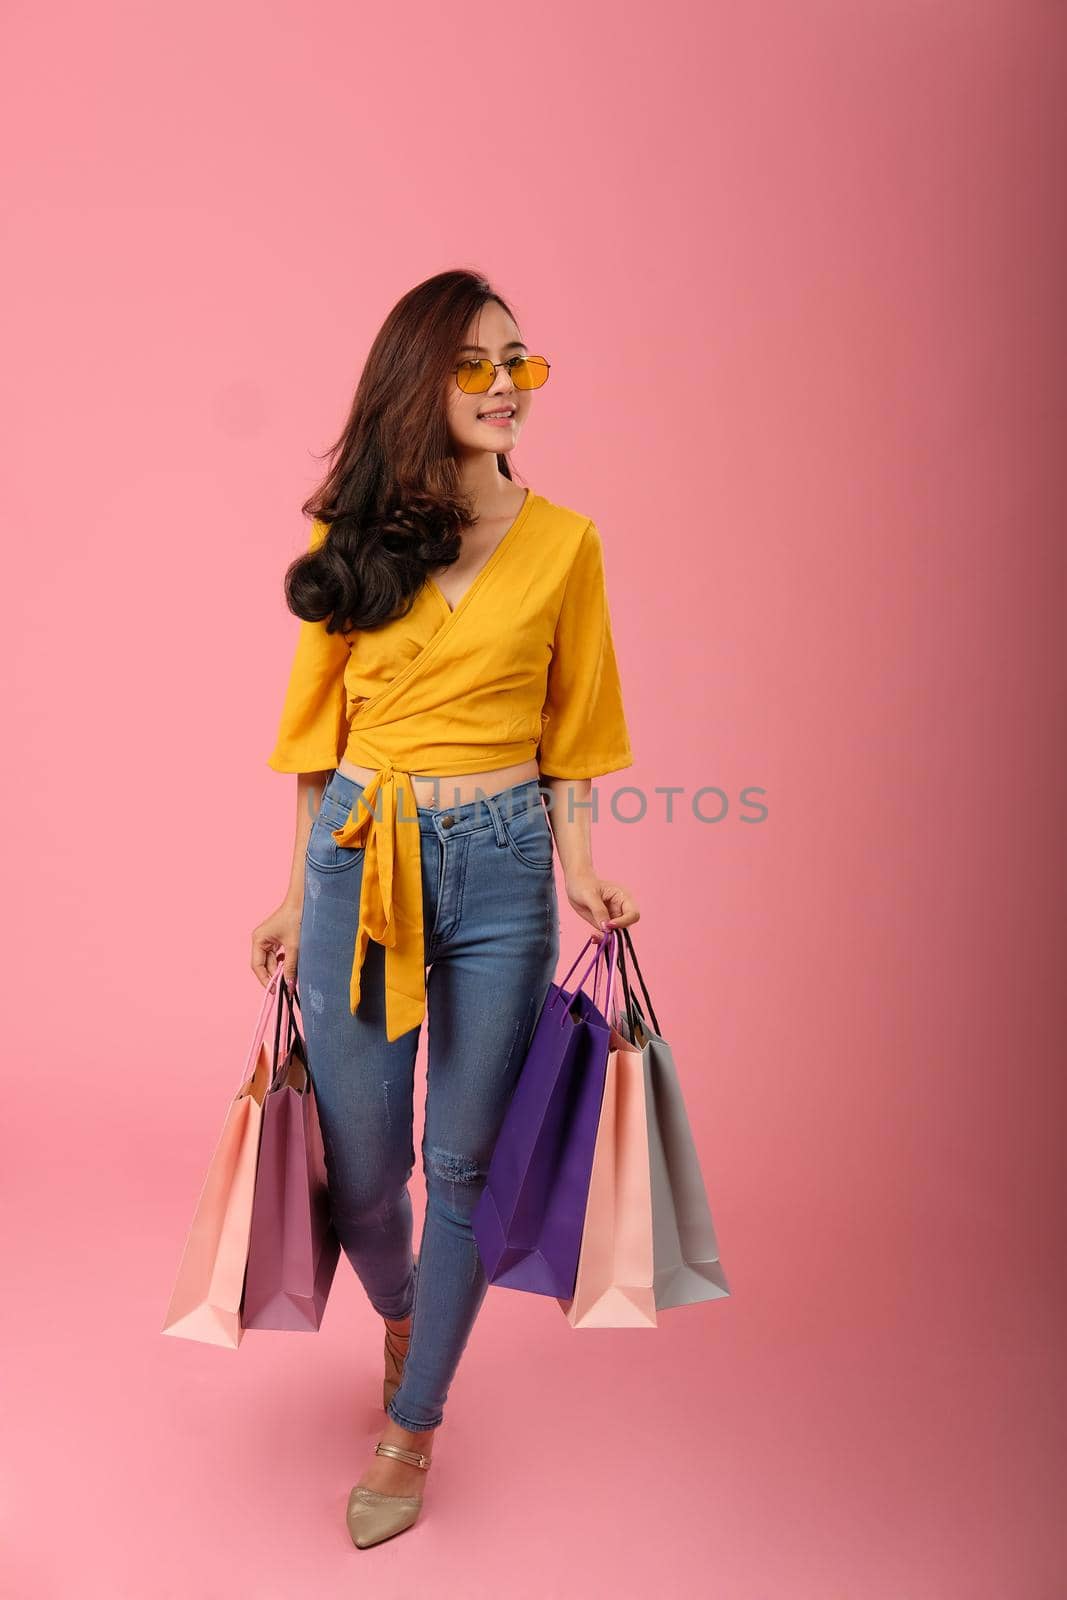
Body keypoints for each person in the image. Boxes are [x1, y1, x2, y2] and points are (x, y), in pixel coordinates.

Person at [251, 269, 640, 1549]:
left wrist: (578, 862)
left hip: (505, 866)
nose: (501, 386)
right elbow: (316, 742)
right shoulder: (345, 545)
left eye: (517, 363)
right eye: (473, 364)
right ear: (417, 381)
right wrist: (289, 880)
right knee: (365, 1177)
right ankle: (410, 1307)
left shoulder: (567, 542)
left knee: (467, 1162)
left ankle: (411, 1425)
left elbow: (573, 734)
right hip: (360, 863)